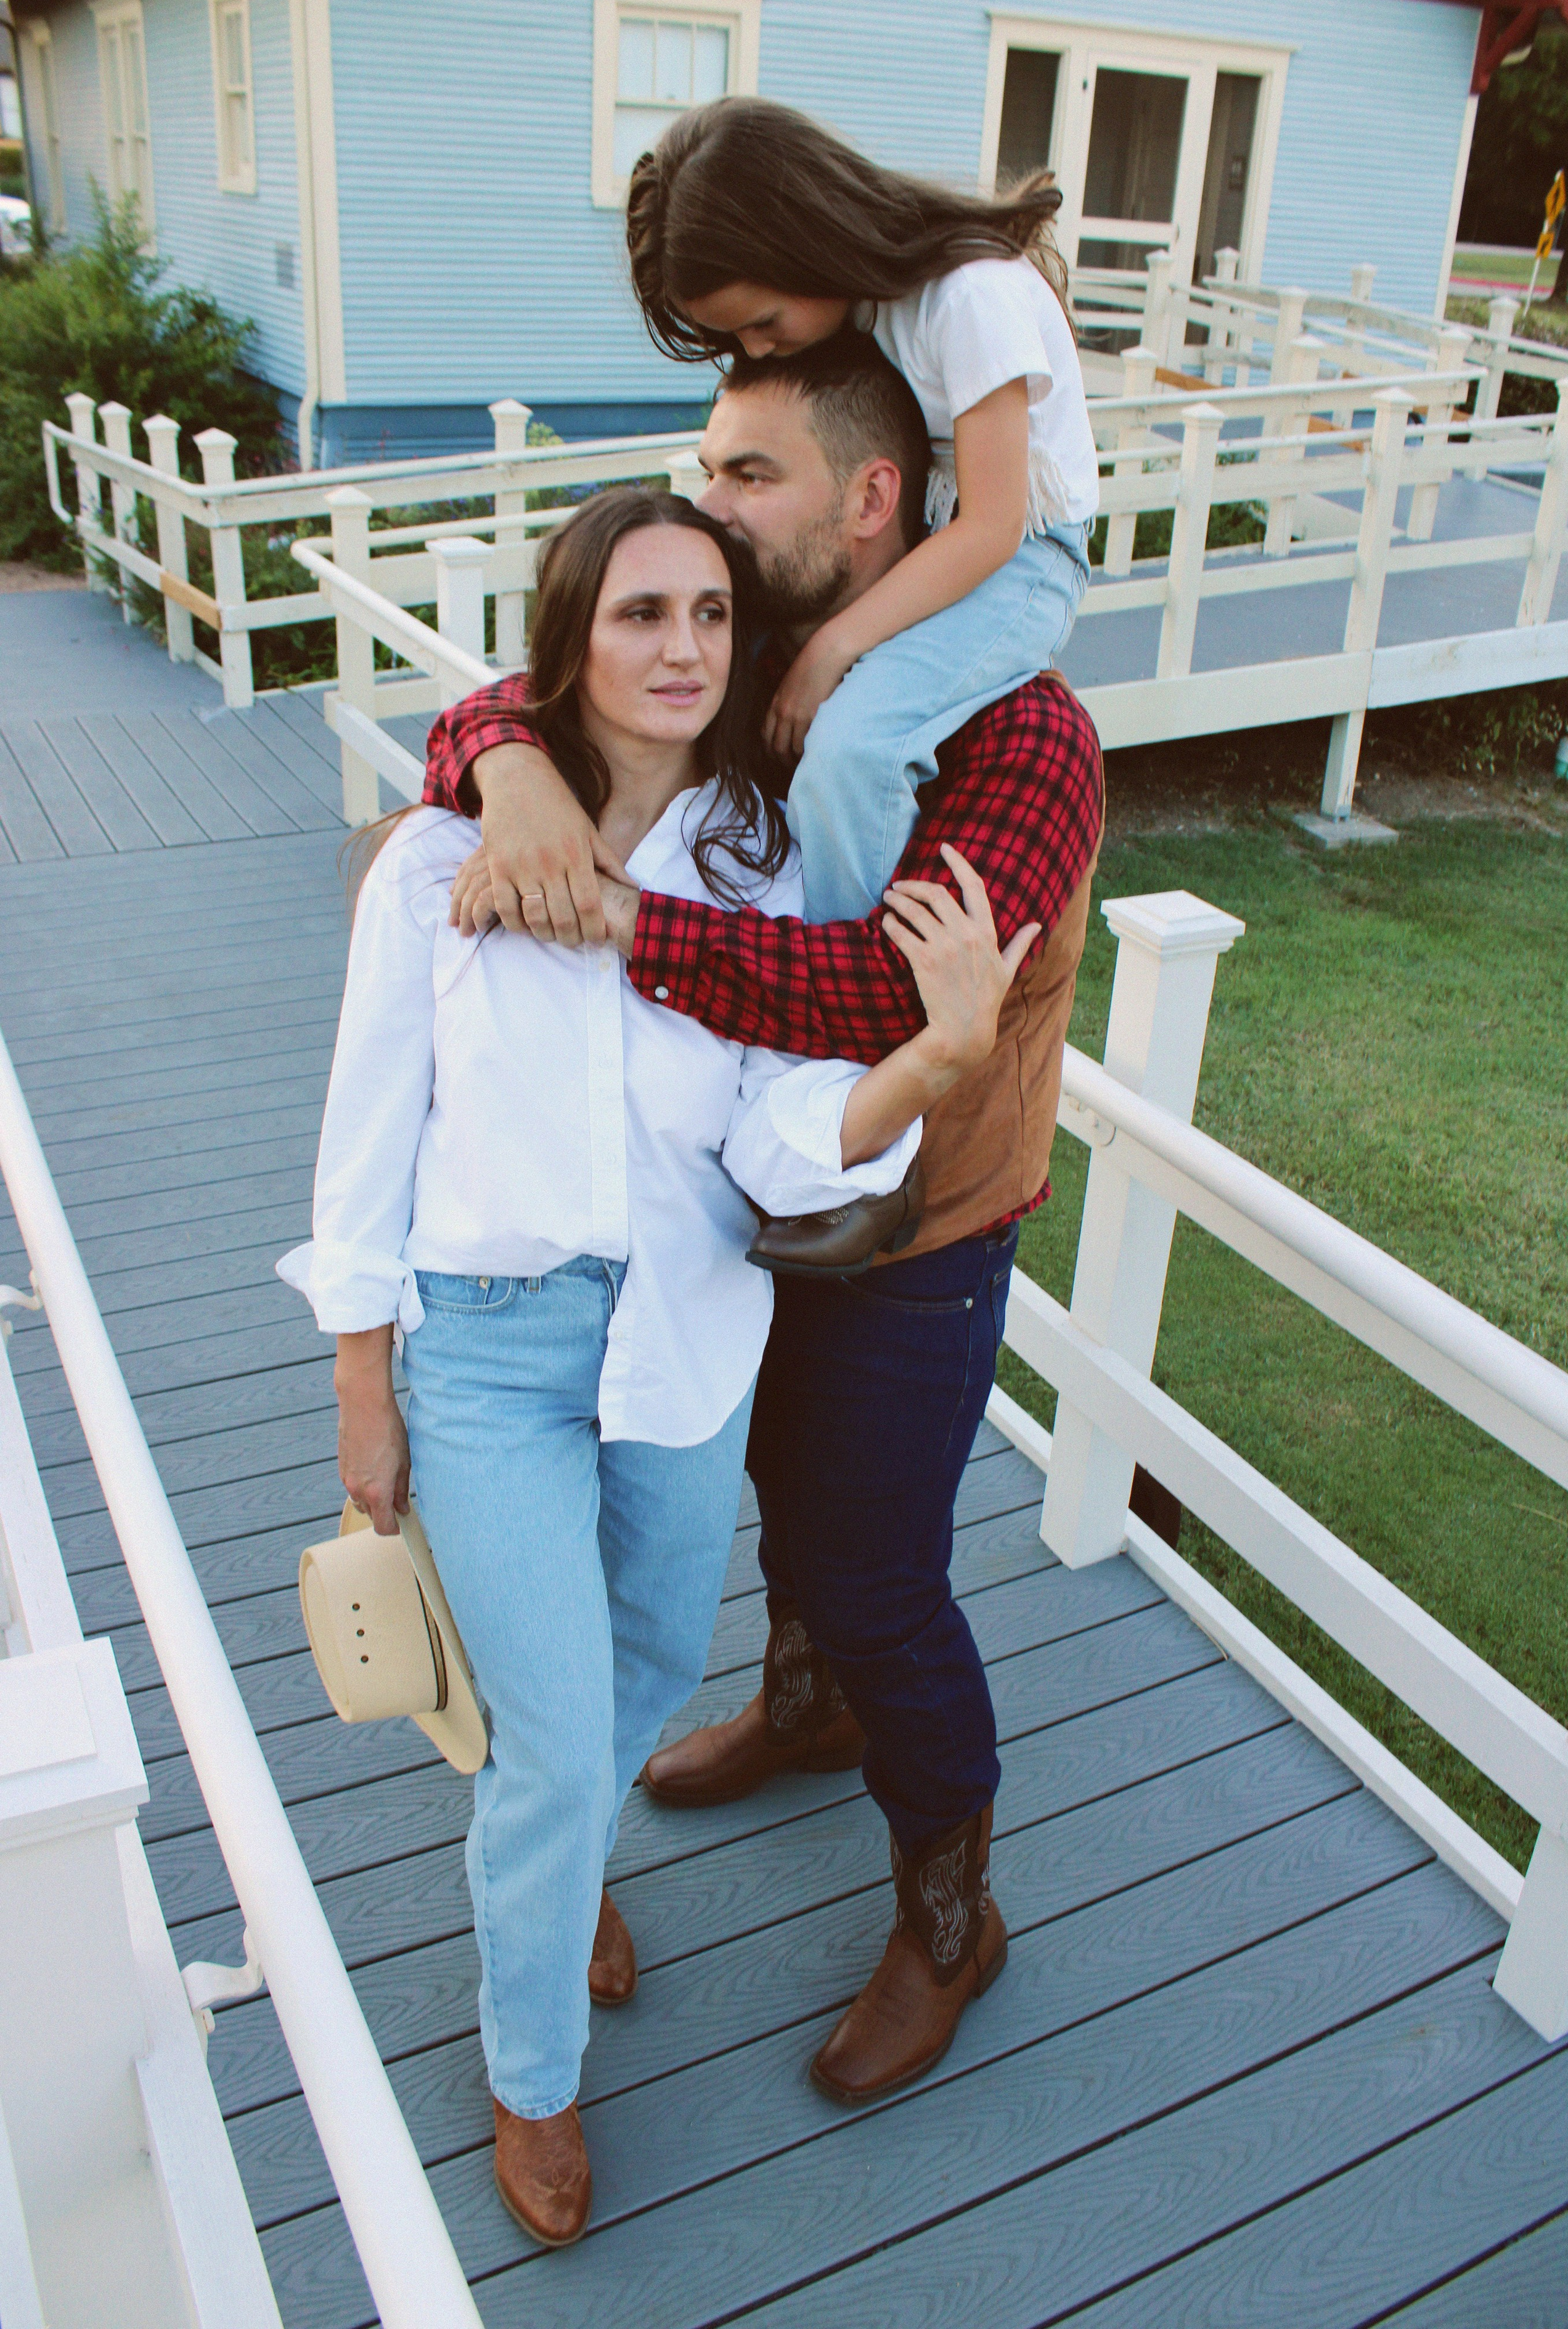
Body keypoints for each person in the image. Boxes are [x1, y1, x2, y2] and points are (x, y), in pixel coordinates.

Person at [278, 488, 1037, 2245]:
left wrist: (931, 1063)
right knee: (550, 1743)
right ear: (570, 638)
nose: (684, 646)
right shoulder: (434, 862)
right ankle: (529, 2071)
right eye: (640, 615)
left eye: (709, 613)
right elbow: (363, 1137)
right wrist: (362, 1387)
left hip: (692, 1339)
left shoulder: (759, 870)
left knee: (625, 1667)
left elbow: (780, 1146)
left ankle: (553, 1872)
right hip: (486, 1348)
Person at [427, 335, 1105, 2107]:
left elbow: (866, 1002)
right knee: (762, 1492)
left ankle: (954, 1913)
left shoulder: (1023, 736)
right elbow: (555, 694)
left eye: (746, 477)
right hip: (733, 1209)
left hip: (911, 1229)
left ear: (870, 504)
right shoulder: (790, 679)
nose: (711, 505)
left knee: (881, 1574)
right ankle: (806, 1707)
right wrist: (502, 758)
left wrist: (618, 922)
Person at [623, 94, 1100, 923]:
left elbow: (994, 526)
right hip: (947, 540)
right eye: (740, 342)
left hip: (1023, 557)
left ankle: (832, 949)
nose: (761, 352)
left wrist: (833, 651)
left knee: (853, 751)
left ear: (808, 237)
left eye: (764, 324)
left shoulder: (970, 298)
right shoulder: (872, 305)